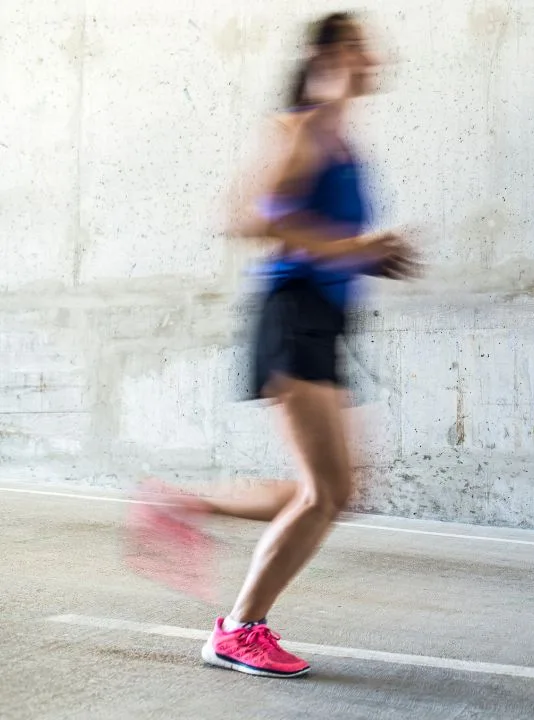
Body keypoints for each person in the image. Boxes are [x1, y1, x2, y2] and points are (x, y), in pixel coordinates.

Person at [128, 12, 418, 679]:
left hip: (323, 320)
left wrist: (363, 258)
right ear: (329, 54)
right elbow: (242, 217)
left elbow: (313, 236)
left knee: (340, 492)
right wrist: (354, 249)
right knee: (324, 492)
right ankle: (238, 629)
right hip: (290, 318)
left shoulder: (341, 140)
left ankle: (178, 504)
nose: (374, 57)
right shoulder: (301, 130)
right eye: (360, 46)